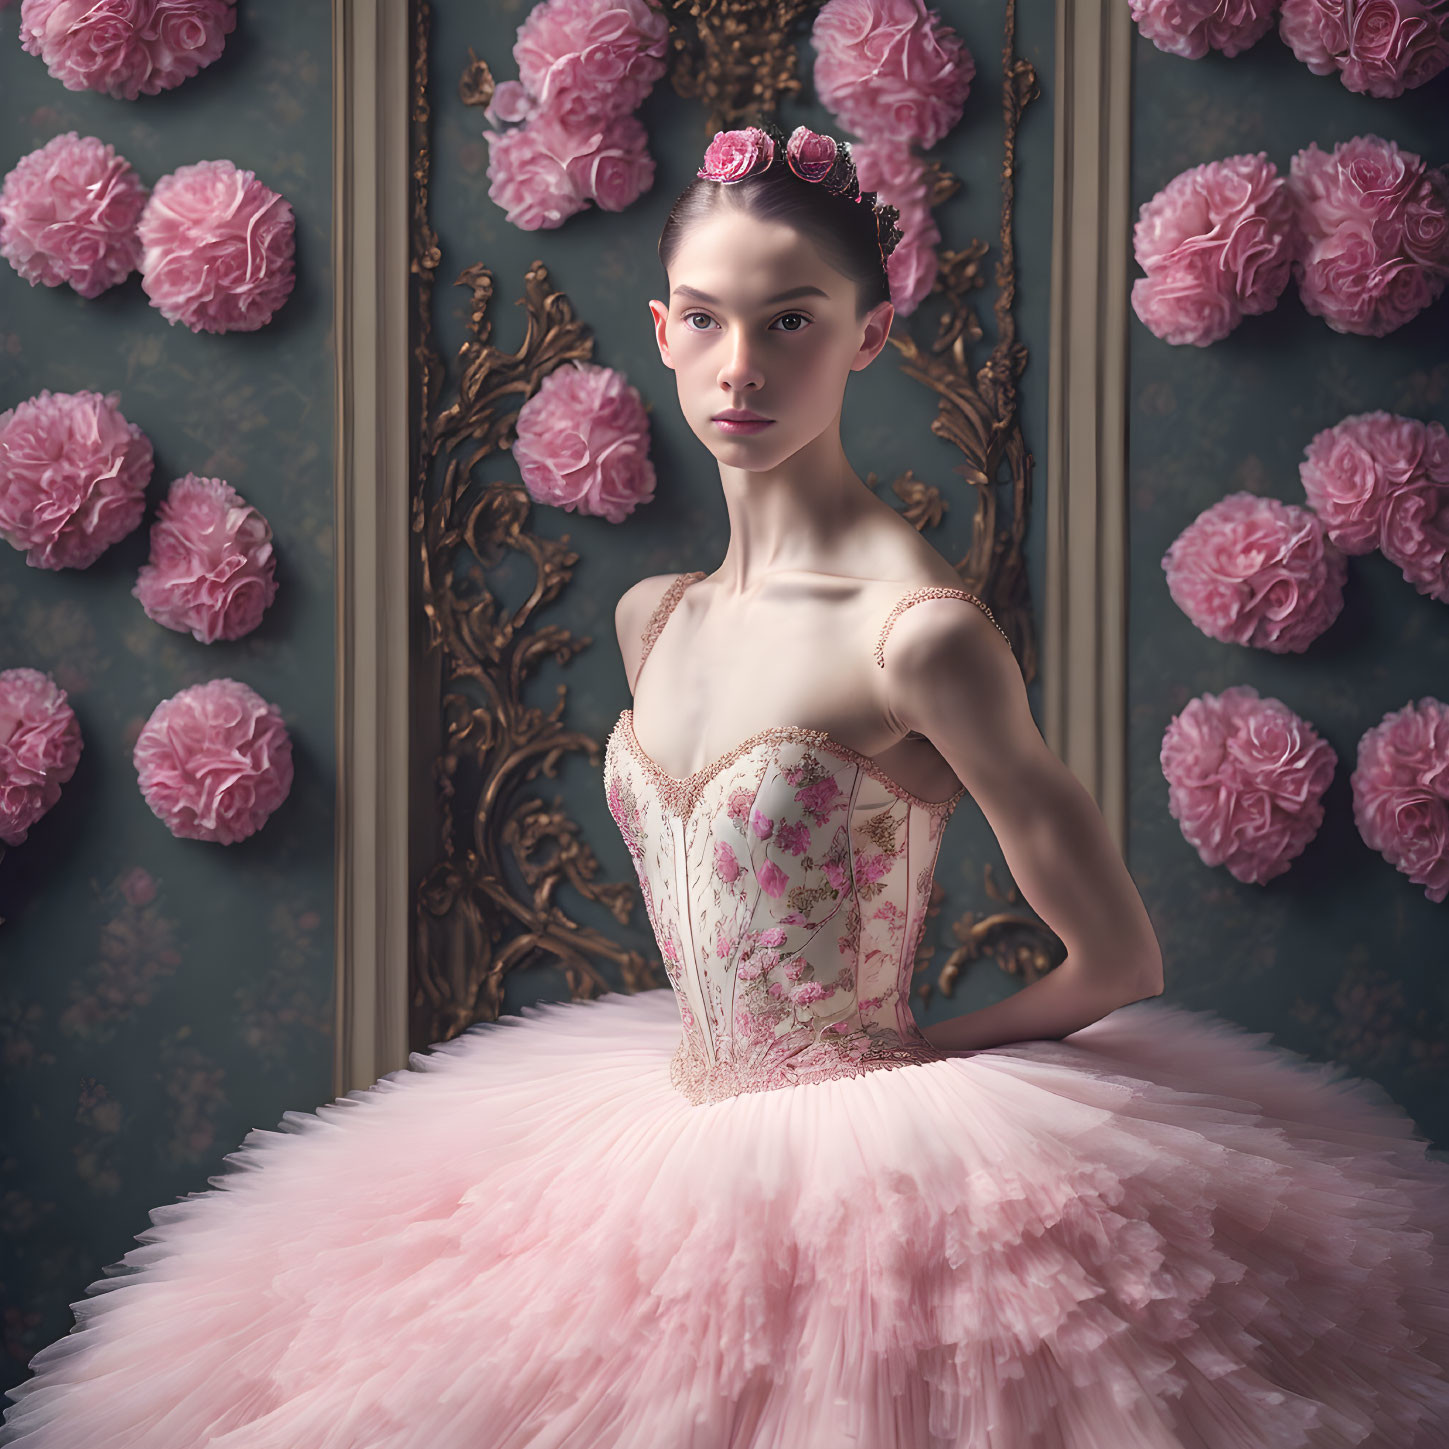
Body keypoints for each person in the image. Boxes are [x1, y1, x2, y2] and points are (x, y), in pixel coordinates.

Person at [3, 120, 1446, 1449]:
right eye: (703, 318)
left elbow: (1116, 955)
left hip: (871, 1160)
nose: (739, 368)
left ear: (869, 334)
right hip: (652, 1129)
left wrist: (919, 1058)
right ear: (661, 328)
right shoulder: (655, 617)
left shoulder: (916, 631)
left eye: (791, 322)